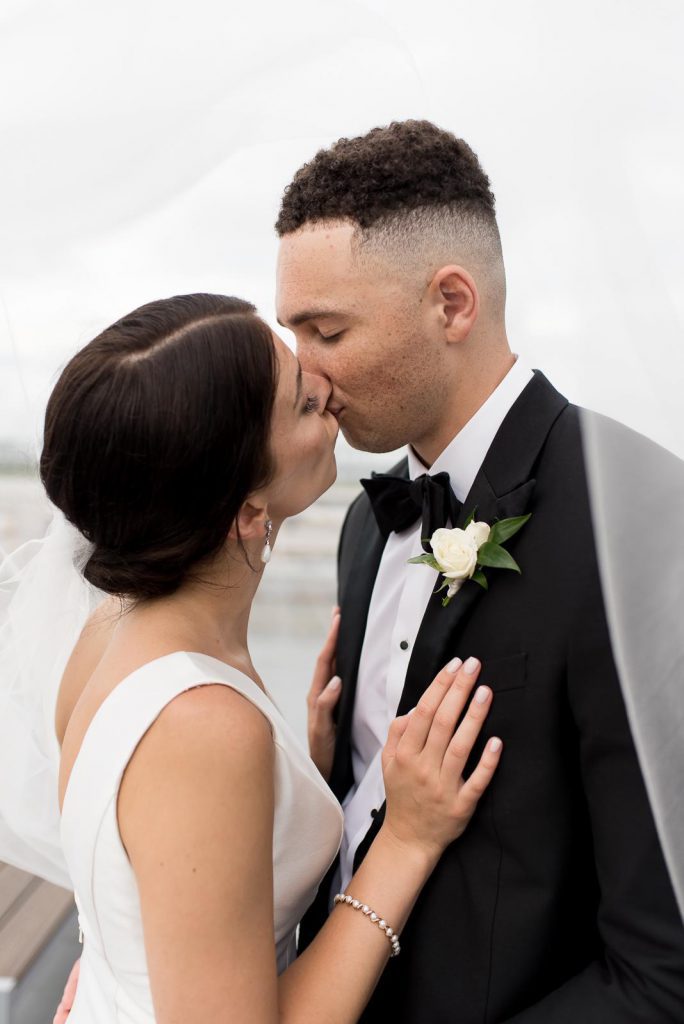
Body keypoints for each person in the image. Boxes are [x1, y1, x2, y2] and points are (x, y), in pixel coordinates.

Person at [275, 120, 684, 1021]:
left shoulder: (645, 520)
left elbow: (663, 966)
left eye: (326, 330)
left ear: (451, 305)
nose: (303, 374)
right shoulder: (362, 525)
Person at [40, 292, 502, 1022]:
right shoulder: (203, 728)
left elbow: (143, 872)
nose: (322, 383)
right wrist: (408, 841)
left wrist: (299, 774)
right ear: (248, 513)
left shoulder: (112, 628)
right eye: (299, 402)